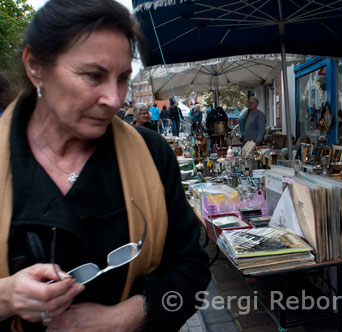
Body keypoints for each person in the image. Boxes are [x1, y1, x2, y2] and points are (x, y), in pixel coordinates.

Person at [0, 1, 210, 331]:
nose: (115, 99)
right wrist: (7, 296)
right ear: (35, 66)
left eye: (123, 78)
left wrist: (126, 316)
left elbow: (190, 268)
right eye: (94, 75)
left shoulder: (152, 154)